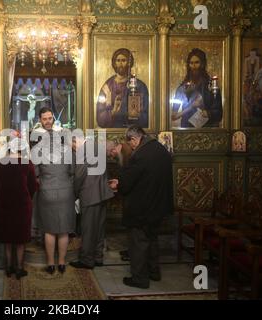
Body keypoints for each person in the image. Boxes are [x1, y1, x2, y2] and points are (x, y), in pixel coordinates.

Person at [108, 125, 174, 289]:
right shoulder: (160, 148)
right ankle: (154, 272)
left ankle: (139, 279)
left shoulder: (141, 155)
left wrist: (119, 183)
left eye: (130, 143)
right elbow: (146, 178)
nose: (130, 147)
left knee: (138, 243)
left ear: (134, 139)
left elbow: (129, 181)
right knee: (152, 239)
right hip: (159, 205)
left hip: (143, 208)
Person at [34, 107, 75, 274]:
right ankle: (62, 263)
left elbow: (35, 173)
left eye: (50, 118)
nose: (48, 121)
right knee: (63, 230)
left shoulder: (37, 149)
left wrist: (43, 181)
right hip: (65, 191)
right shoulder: (66, 149)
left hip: (46, 192)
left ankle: (51, 264)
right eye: (45, 119)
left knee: (50, 230)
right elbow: (72, 170)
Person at [0, 138, 38, 280]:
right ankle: (19, 269)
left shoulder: (1, 163)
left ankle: (8, 268)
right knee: (20, 240)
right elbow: (33, 186)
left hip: (4, 204)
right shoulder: (27, 164)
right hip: (22, 205)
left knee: (7, 239)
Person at [69, 137, 114, 269]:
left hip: (90, 194)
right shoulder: (96, 145)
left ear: (74, 142)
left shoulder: (84, 149)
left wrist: (74, 193)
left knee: (88, 228)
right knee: (99, 227)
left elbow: (79, 175)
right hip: (102, 192)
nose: (73, 151)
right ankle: (98, 257)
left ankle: (87, 260)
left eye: (73, 148)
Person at [96, 48, 149, 128]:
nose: (120, 64)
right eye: (118, 60)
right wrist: (113, 112)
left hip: (133, 131)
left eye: (124, 60)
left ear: (129, 63)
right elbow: (100, 118)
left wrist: (133, 114)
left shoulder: (139, 86)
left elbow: (147, 116)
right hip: (112, 132)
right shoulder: (107, 87)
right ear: (114, 63)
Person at [171, 48, 223, 128]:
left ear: (202, 64)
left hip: (207, 130)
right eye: (191, 63)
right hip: (187, 129)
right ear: (188, 65)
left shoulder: (211, 86)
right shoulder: (182, 88)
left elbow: (218, 113)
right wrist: (191, 106)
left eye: (197, 62)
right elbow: (174, 116)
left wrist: (208, 113)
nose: (194, 66)